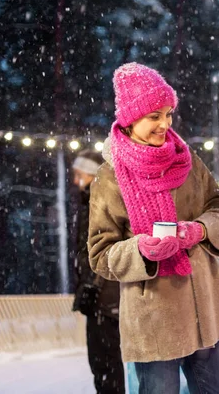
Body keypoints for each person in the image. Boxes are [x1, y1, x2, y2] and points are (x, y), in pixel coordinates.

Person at [88, 62, 219, 394]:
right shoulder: (108, 177)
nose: (165, 124)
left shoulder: (187, 159)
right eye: (155, 116)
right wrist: (140, 249)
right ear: (130, 119)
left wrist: (199, 230)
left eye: (168, 114)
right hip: (154, 318)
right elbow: (100, 255)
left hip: (203, 308)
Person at [71, 149, 125, 394]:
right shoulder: (93, 201)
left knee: (106, 364)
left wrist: (93, 285)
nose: (75, 180)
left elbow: (103, 250)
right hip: (103, 297)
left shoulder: (99, 201)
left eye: (79, 175)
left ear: (93, 175)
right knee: (105, 364)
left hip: (105, 298)